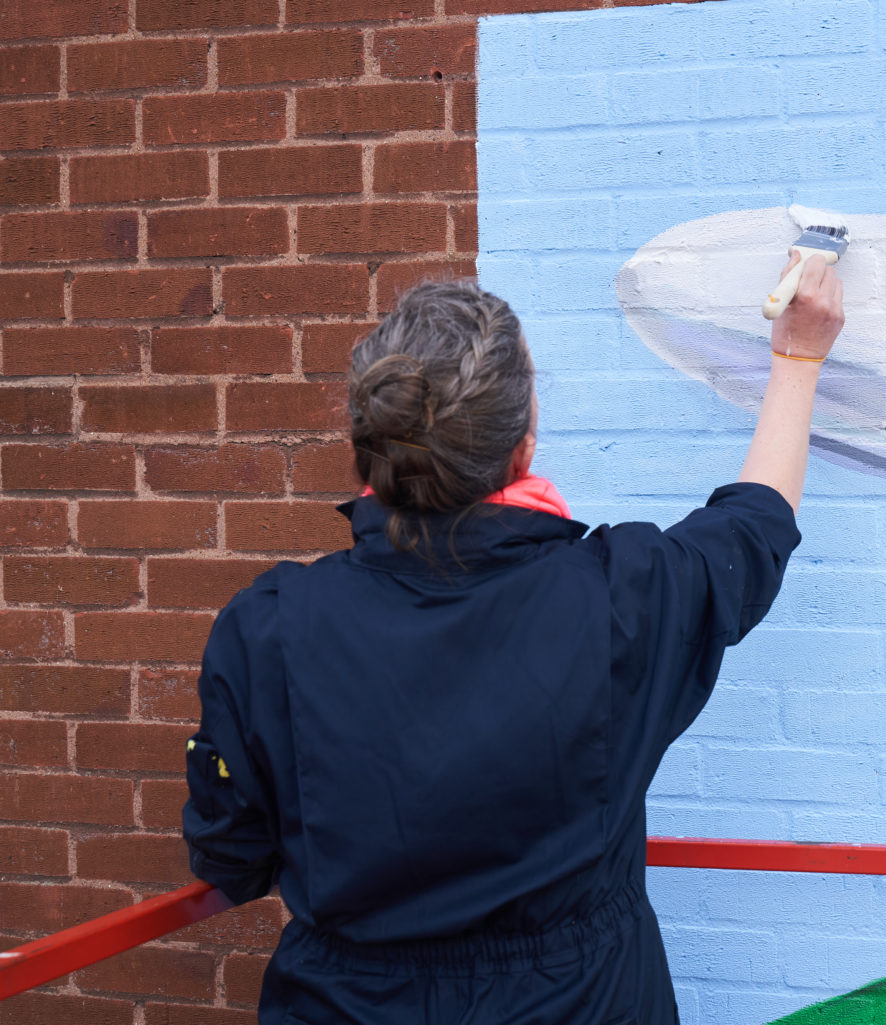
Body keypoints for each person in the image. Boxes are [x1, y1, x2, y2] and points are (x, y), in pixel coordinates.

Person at [182, 252, 844, 1024]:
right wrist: (797, 361)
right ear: (523, 445)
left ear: (367, 446)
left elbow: (231, 855)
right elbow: (752, 529)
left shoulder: (265, 627)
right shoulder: (621, 599)